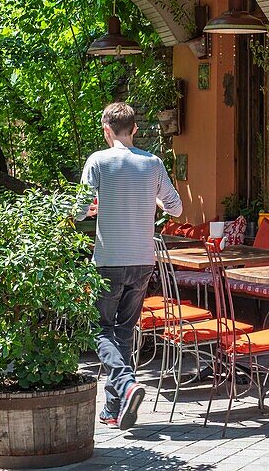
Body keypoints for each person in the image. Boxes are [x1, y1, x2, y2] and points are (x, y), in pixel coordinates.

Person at [77, 102, 182, 430]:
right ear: (134, 129)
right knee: (123, 332)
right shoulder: (152, 163)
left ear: (107, 130)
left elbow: (78, 208)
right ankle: (113, 410)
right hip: (142, 261)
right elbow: (176, 209)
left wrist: (92, 211)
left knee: (100, 329)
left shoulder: (98, 161)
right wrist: (154, 199)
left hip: (109, 260)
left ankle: (125, 384)